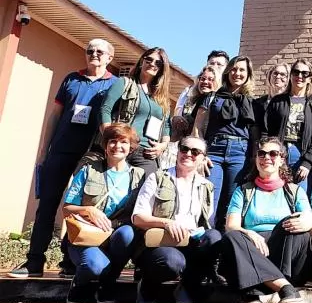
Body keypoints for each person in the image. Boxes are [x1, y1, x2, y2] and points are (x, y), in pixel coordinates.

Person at [8, 39, 119, 279]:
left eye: (100, 52)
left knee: (81, 209)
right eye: (90, 51)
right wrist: (43, 148)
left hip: (91, 157)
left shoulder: (115, 85)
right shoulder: (71, 79)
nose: (94, 55)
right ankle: (34, 261)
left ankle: (70, 262)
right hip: (60, 151)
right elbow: (55, 115)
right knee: (47, 206)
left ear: (110, 57)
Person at [219, 137, 312, 303]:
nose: (266, 158)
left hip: (284, 253)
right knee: (232, 236)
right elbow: (231, 225)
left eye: (273, 153)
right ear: (256, 159)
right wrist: (249, 233)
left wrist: (308, 223)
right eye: (261, 153)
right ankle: (284, 287)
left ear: (282, 160)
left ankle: (254, 292)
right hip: (251, 250)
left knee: (293, 223)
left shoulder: (295, 191)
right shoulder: (243, 191)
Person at [131, 136, 222, 303]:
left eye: (195, 152)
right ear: (178, 151)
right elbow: (138, 218)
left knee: (214, 237)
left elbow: (206, 223)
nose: (188, 154)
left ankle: (187, 286)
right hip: (160, 243)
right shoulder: (158, 178)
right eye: (184, 149)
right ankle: (148, 287)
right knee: (171, 262)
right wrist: (166, 223)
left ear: (203, 158)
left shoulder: (206, 186)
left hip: (190, 242)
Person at [62, 123, 146, 303]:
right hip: (86, 236)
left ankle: (108, 283)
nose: (117, 146)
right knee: (95, 265)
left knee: (128, 234)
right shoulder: (88, 170)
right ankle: (80, 285)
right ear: (105, 145)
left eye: (123, 142)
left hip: (116, 237)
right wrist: (88, 210)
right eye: (112, 141)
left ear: (131, 147)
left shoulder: (140, 176)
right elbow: (66, 209)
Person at [192, 55, 256, 231]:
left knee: (231, 203)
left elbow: (254, 134)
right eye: (234, 69)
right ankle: (206, 242)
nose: (237, 73)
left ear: (248, 74)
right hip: (214, 151)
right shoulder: (212, 97)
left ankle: (224, 249)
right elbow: (197, 127)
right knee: (209, 199)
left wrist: (253, 159)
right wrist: (200, 155)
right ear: (228, 72)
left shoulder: (252, 102)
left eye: (242, 70)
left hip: (240, 153)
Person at [100, 47, 173, 178]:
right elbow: (105, 109)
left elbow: (166, 127)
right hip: (122, 146)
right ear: (141, 62)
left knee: (149, 189)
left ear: (162, 68)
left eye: (158, 63)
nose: (152, 64)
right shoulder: (125, 83)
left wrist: (163, 145)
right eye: (148, 59)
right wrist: (109, 138)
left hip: (147, 153)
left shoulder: (163, 98)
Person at [263, 59, 312, 184]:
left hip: (301, 155)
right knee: (277, 193)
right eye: (296, 72)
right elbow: (266, 130)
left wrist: (307, 162)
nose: (300, 76)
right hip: (279, 154)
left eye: (305, 73)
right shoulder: (277, 101)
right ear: (291, 75)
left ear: (310, 78)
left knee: (299, 197)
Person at [175, 51, 229, 118]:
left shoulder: (227, 95)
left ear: (226, 68)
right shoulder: (189, 92)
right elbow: (178, 115)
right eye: (212, 63)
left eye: (219, 64)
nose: (215, 66)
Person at [253, 65, 289, 142]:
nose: (278, 76)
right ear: (270, 76)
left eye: (283, 74)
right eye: (275, 73)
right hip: (261, 146)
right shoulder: (258, 103)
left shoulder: (290, 103)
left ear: (288, 79)